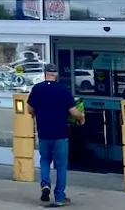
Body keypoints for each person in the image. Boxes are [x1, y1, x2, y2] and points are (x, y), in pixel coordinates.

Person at [27, 63, 86, 205]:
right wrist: (81, 117)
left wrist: (36, 113)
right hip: (60, 134)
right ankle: (59, 197)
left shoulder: (37, 89)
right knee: (61, 165)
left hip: (43, 132)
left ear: (44, 73)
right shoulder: (63, 90)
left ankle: (45, 184)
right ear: (56, 74)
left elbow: (29, 109)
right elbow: (73, 112)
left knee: (45, 160)